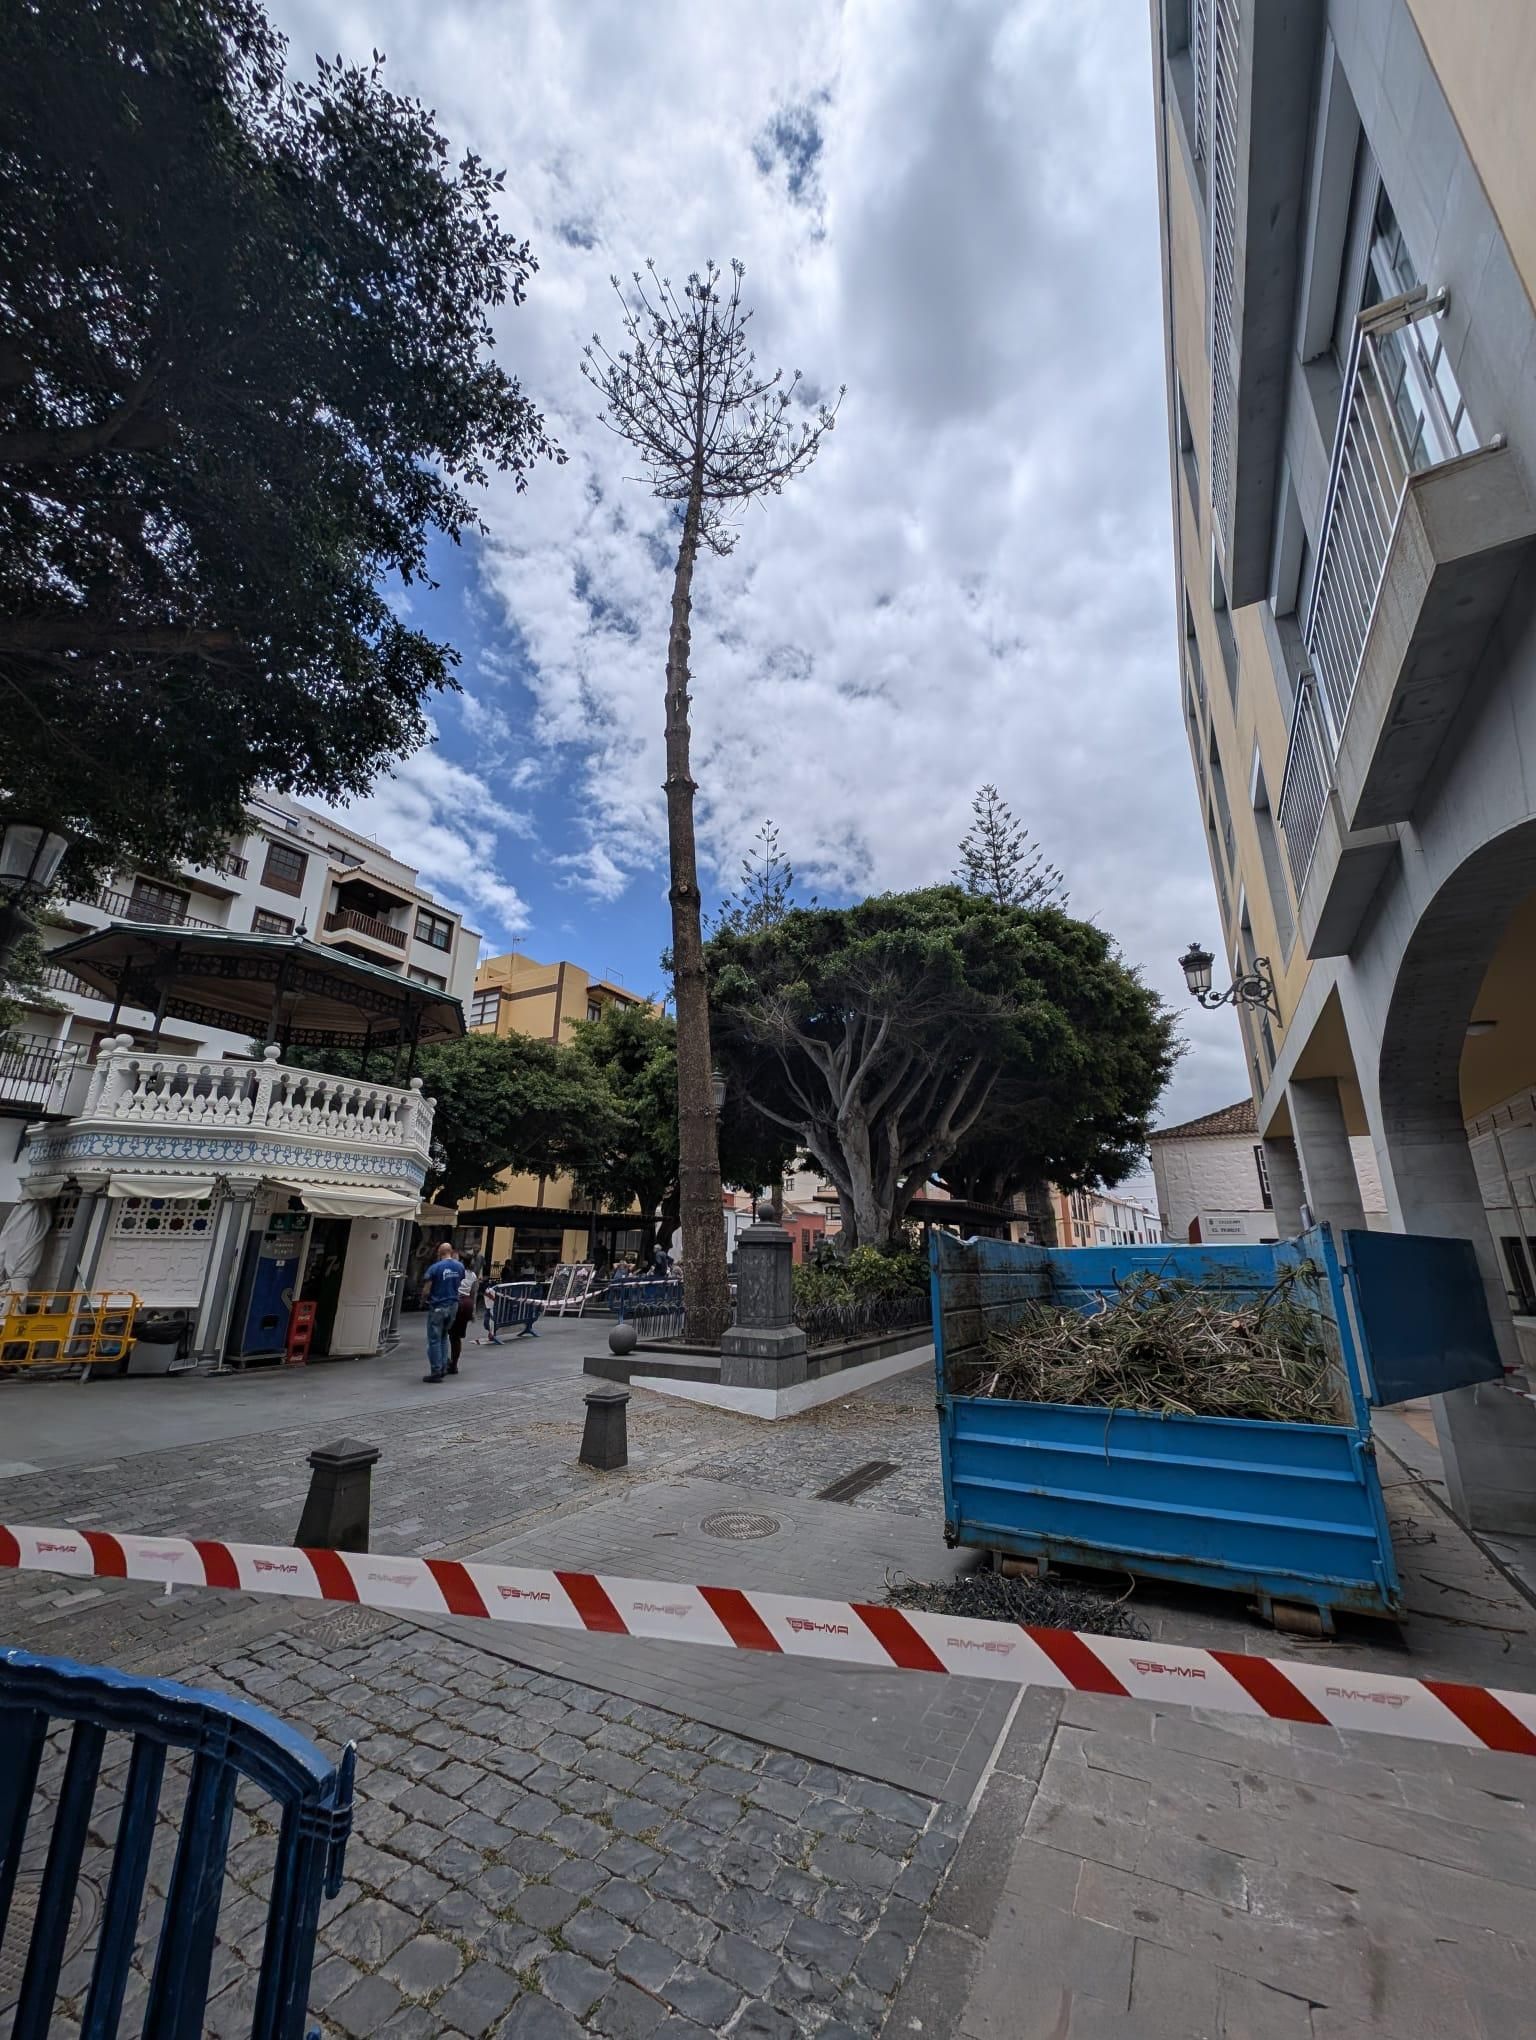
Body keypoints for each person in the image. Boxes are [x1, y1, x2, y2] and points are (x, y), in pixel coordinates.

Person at [420, 1241, 465, 1383]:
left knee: (434, 1339)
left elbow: (427, 1289)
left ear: (439, 1253)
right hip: (453, 1305)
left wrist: (423, 1301)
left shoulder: (435, 1268)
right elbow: (460, 1282)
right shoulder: (460, 1266)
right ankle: (444, 1366)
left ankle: (436, 1371)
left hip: (438, 1305)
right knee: (444, 1336)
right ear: (451, 1252)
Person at [449, 1257, 478, 1373]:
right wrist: (473, 1311)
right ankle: (454, 1363)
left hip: (456, 1301)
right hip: (467, 1303)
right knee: (456, 1337)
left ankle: (444, 1362)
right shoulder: (473, 1275)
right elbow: (473, 1293)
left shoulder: (454, 1272)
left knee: (444, 1334)